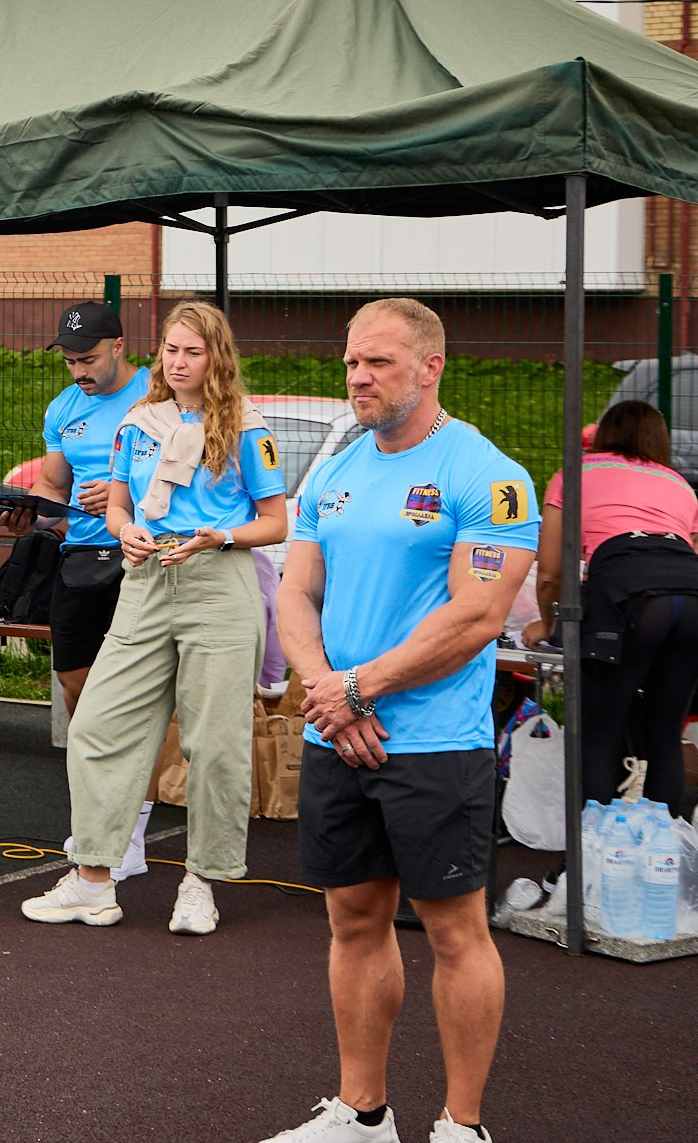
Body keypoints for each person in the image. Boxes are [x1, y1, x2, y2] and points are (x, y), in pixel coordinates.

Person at [265, 298, 538, 1143]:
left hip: (434, 744)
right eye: (351, 361)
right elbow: (295, 592)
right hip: (336, 732)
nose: (357, 376)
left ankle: (462, 1124)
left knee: (456, 931)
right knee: (352, 917)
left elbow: (476, 617)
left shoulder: (486, 474)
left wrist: (359, 690)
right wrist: (326, 691)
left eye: (379, 362)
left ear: (431, 368)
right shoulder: (337, 472)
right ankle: (363, 1113)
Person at [21, 301, 287, 936]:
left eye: (192, 352)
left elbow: (276, 522)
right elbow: (116, 508)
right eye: (170, 349)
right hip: (144, 579)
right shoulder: (137, 424)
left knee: (215, 742)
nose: (178, 362)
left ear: (215, 357)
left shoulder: (248, 427)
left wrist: (218, 538)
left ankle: (202, 881)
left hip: (218, 581)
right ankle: (93, 880)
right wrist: (129, 530)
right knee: (98, 727)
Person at [2, 300, 152, 877]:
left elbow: (186, 482)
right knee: (75, 687)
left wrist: (124, 497)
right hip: (79, 558)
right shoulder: (64, 407)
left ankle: (129, 831)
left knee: (133, 696)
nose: (78, 372)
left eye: (87, 359)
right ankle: (103, 810)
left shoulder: (155, 398)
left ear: (119, 346)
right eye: (68, 362)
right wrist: (33, 512)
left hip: (139, 554)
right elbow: (54, 485)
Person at [523, 400, 698, 808]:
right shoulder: (679, 483)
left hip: (626, 593)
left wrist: (548, 624)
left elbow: (550, 570)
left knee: (601, 731)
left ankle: (594, 861)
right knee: (665, 735)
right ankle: (663, 856)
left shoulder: (573, 475)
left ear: (601, 435)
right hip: (692, 597)